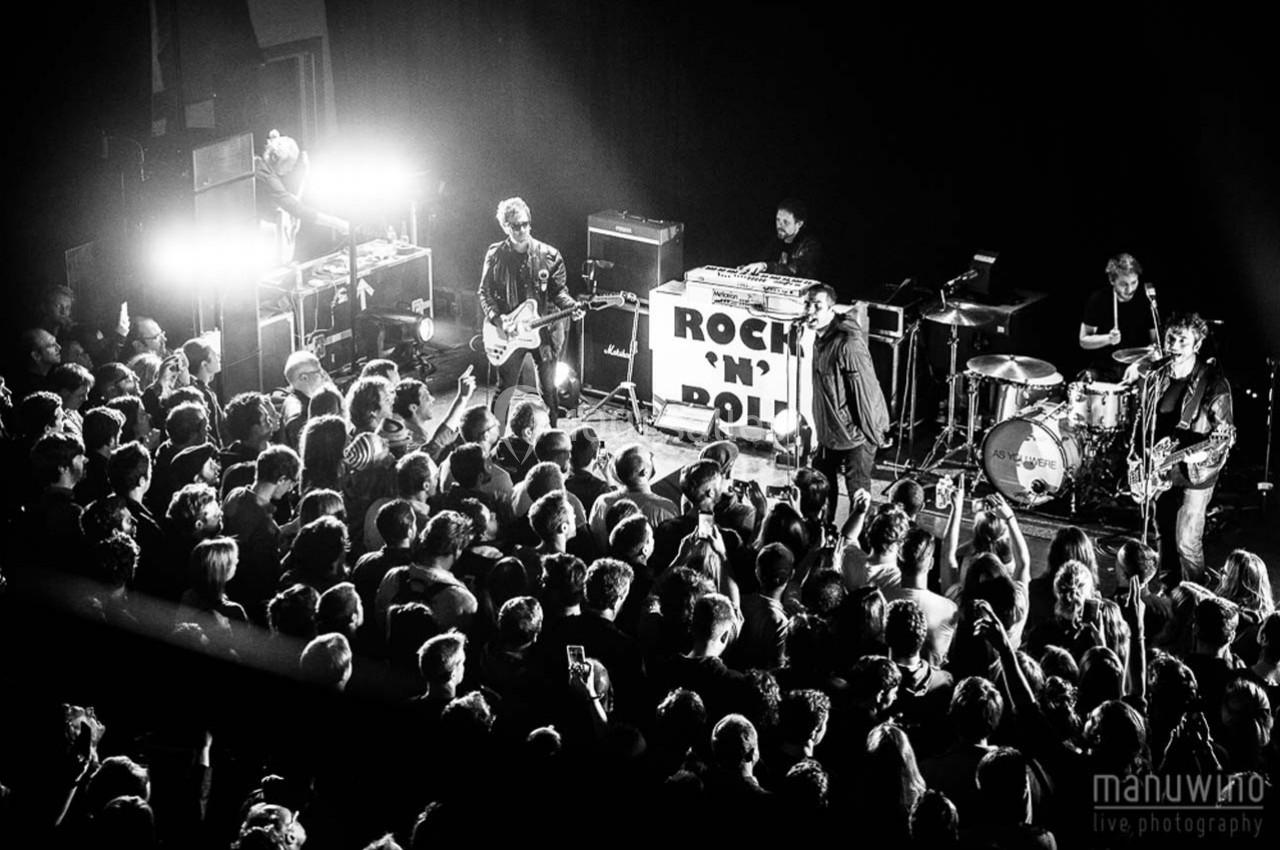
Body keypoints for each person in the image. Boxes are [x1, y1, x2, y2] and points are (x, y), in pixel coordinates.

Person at [1126, 313, 1234, 586]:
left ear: (1196, 346)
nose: (1173, 344)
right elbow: (1141, 422)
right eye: (1170, 338)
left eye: (1182, 340)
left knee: (1186, 541)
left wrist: (1205, 453)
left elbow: (1223, 437)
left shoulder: (1214, 383)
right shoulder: (1156, 377)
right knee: (1162, 535)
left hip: (1196, 472)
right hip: (1160, 467)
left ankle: (1195, 597)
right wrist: (1137, 459)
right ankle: (1168, 589)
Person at [478, 197, 582, 427]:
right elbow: (484, 293)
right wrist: (498, 320)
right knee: (505, 390)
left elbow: (558, 292)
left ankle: (551, 440)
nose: (523, 229)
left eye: (526, 223)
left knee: (549, 390)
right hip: (510, 332)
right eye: (516, 226)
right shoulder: (496, 255)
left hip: (543, 332)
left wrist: (571, 307)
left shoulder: (550, 256)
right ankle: (495, 442)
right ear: (505, 226)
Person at [802, 283, 890, 519]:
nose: (809, 310)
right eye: (807, 304)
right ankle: (825, 530)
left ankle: (862, 542)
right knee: (820, 485)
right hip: (829, 433)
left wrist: (873, 434)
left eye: (817, 306)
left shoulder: (847, 344)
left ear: (831, 310)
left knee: (858, 495)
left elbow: (866, 392)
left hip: (855, 435)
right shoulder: (819, 337)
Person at [254, 129, 350, 262]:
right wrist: (338, 223)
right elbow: (297, 209)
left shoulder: (263, 168)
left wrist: (305, 173)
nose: (291, 168)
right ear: (277, 159)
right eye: (290, 164)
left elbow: (292, 201)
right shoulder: (265, 176)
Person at [1079, 252, 1158, 378]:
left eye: (1134, 282)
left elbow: (1156, 343)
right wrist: (1108, 339)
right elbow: (1084, 341)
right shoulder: (1098, 300)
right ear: (1112, 280)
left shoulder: (1146, 300)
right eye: (1123, 284)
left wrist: (1140, 364)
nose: (1130, 289)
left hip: (1136, 368)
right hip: (1103, 368)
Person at [737, 198, 823, 280]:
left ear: (799, 224)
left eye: (786, 222)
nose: (779, 225)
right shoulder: (775, 241)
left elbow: (794, 270)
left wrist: (765, 266)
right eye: (778, 220)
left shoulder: (810, 245)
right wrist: (748, 269)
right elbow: (762, 260)